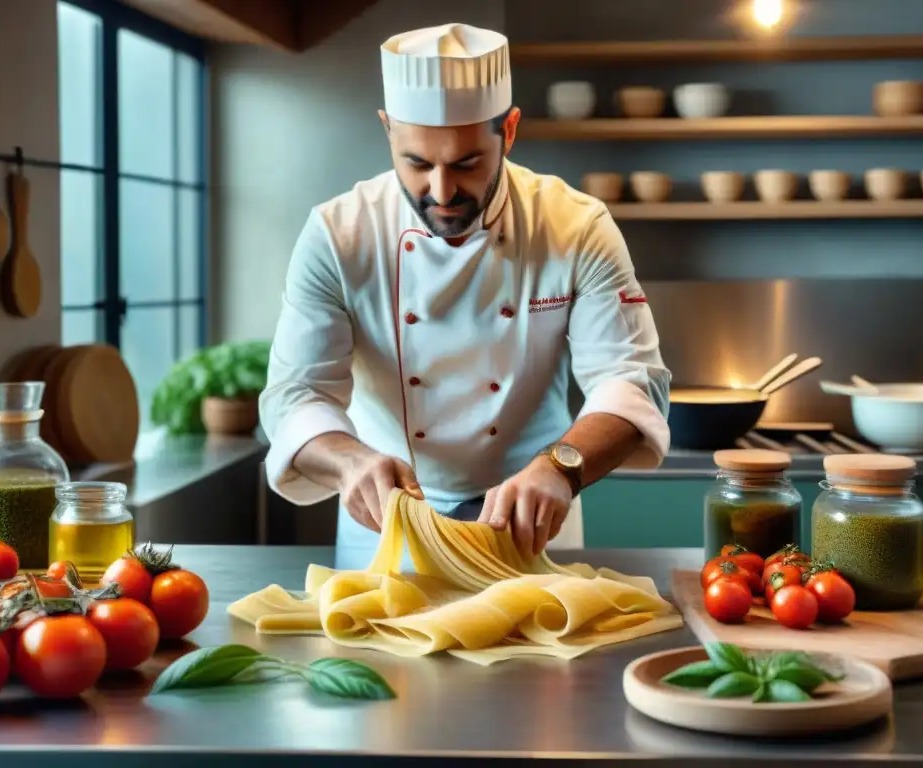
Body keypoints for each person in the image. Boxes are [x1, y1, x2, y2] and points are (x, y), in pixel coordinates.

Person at [260, 22, 671, 570]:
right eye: (416, 163)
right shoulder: (339, 235)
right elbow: (296, 394)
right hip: (388, 523)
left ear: (511, 130)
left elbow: (631, 381)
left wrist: (561, 468)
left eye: (466, 163)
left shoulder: (575, 226)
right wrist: (350, 462)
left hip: (531, 517)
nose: (441, 191)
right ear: (387, 129)